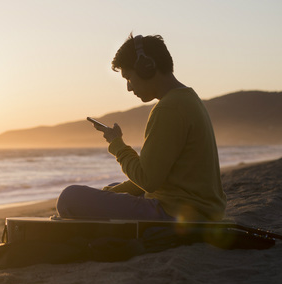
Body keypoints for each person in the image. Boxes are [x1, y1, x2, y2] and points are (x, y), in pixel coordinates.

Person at [56, 33, 226, 222]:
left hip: (175, 214)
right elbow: (156, 176)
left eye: (129, 77)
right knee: (113, 188)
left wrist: (116, 144)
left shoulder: (168, 109)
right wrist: (109, 193)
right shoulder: (187, 98)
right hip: (202, 210)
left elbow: (148, 181)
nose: (129, 87)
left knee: (69, 197)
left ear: (147, 67)